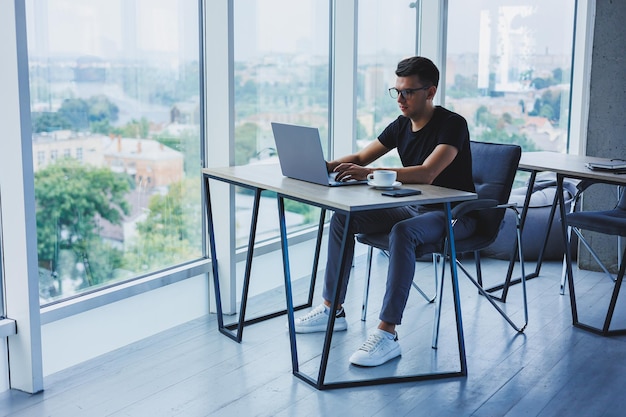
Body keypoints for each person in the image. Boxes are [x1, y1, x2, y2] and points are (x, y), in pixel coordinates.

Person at [292, 56, 477, 367]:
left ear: (430, 92)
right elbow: (363, 156)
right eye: (397, 91)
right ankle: (332, 309)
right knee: (344, 218)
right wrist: (323, 165)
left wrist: (370, 174)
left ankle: (387, 333)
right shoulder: (401, 124)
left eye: (408, 92)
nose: (401, 99)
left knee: (403, 232)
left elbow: (428, 173)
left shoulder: (452, 124)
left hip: (456, 214)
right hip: (415, 207)